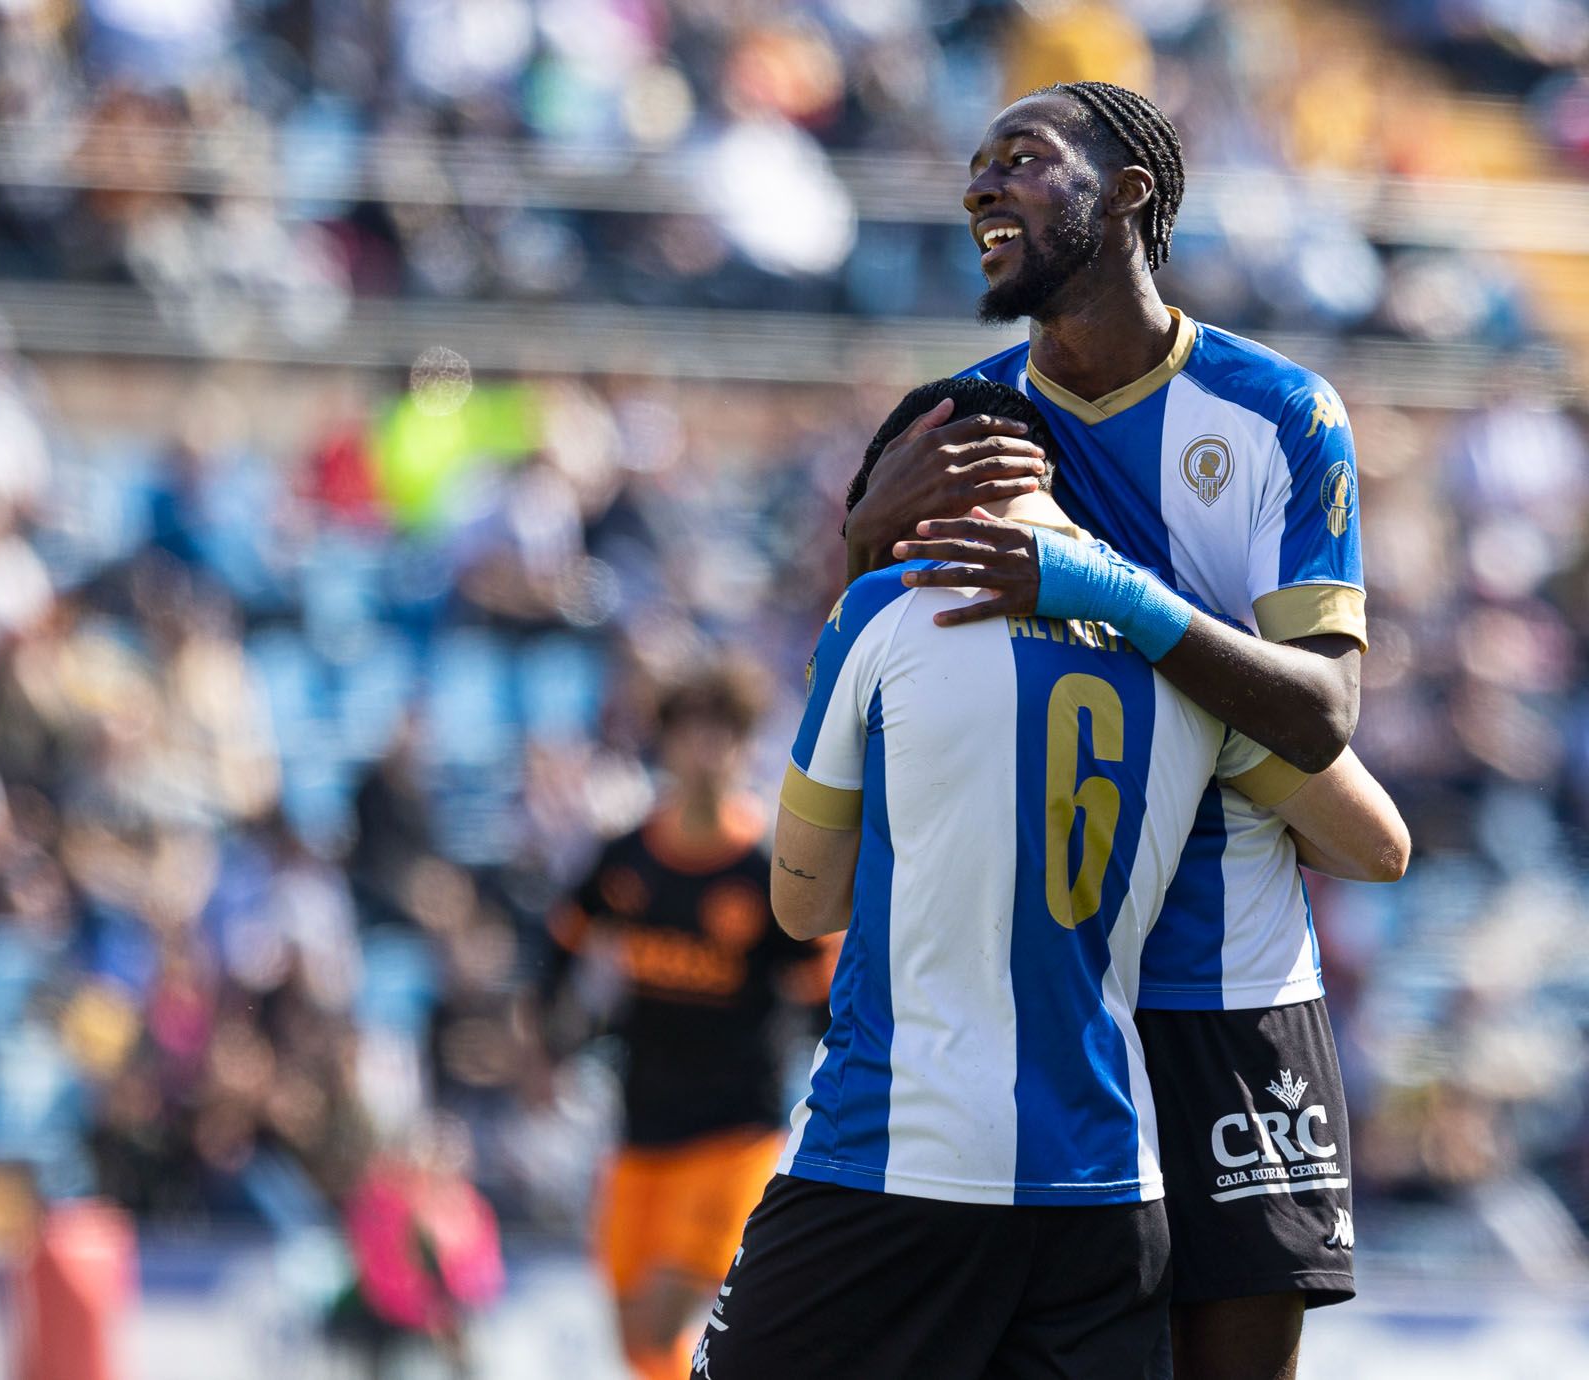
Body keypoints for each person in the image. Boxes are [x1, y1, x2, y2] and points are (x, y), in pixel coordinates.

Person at [692, 376, 1404, 1379]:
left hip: (895, 1152)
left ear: (925, 468)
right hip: (1109, 1181)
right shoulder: (1180, 645)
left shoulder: (885, 612)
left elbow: (805, 901)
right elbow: (1378, 844)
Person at [841, 82, 1392, 1380]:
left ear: (1130, 192)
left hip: (1234, 989)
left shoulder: (1278, 415)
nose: (981, 185)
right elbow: (877, 698)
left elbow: (1326, 710)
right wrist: (864, 543)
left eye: (1021, 159)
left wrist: (1111, 597)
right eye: (973, 166)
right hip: (1033, 1001)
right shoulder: (956, 425)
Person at [540, 661, 835, 1380]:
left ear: (742, 747)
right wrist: (541, 1041)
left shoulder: (768, 870)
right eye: (689, 734)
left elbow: (824, 991)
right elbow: (562, 941)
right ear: (665, 744)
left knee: (663, 1312)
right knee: (636, 1343)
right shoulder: (628, 855)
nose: (704, 752)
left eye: (721, 735)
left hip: (734, 1132)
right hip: (641, 1126)